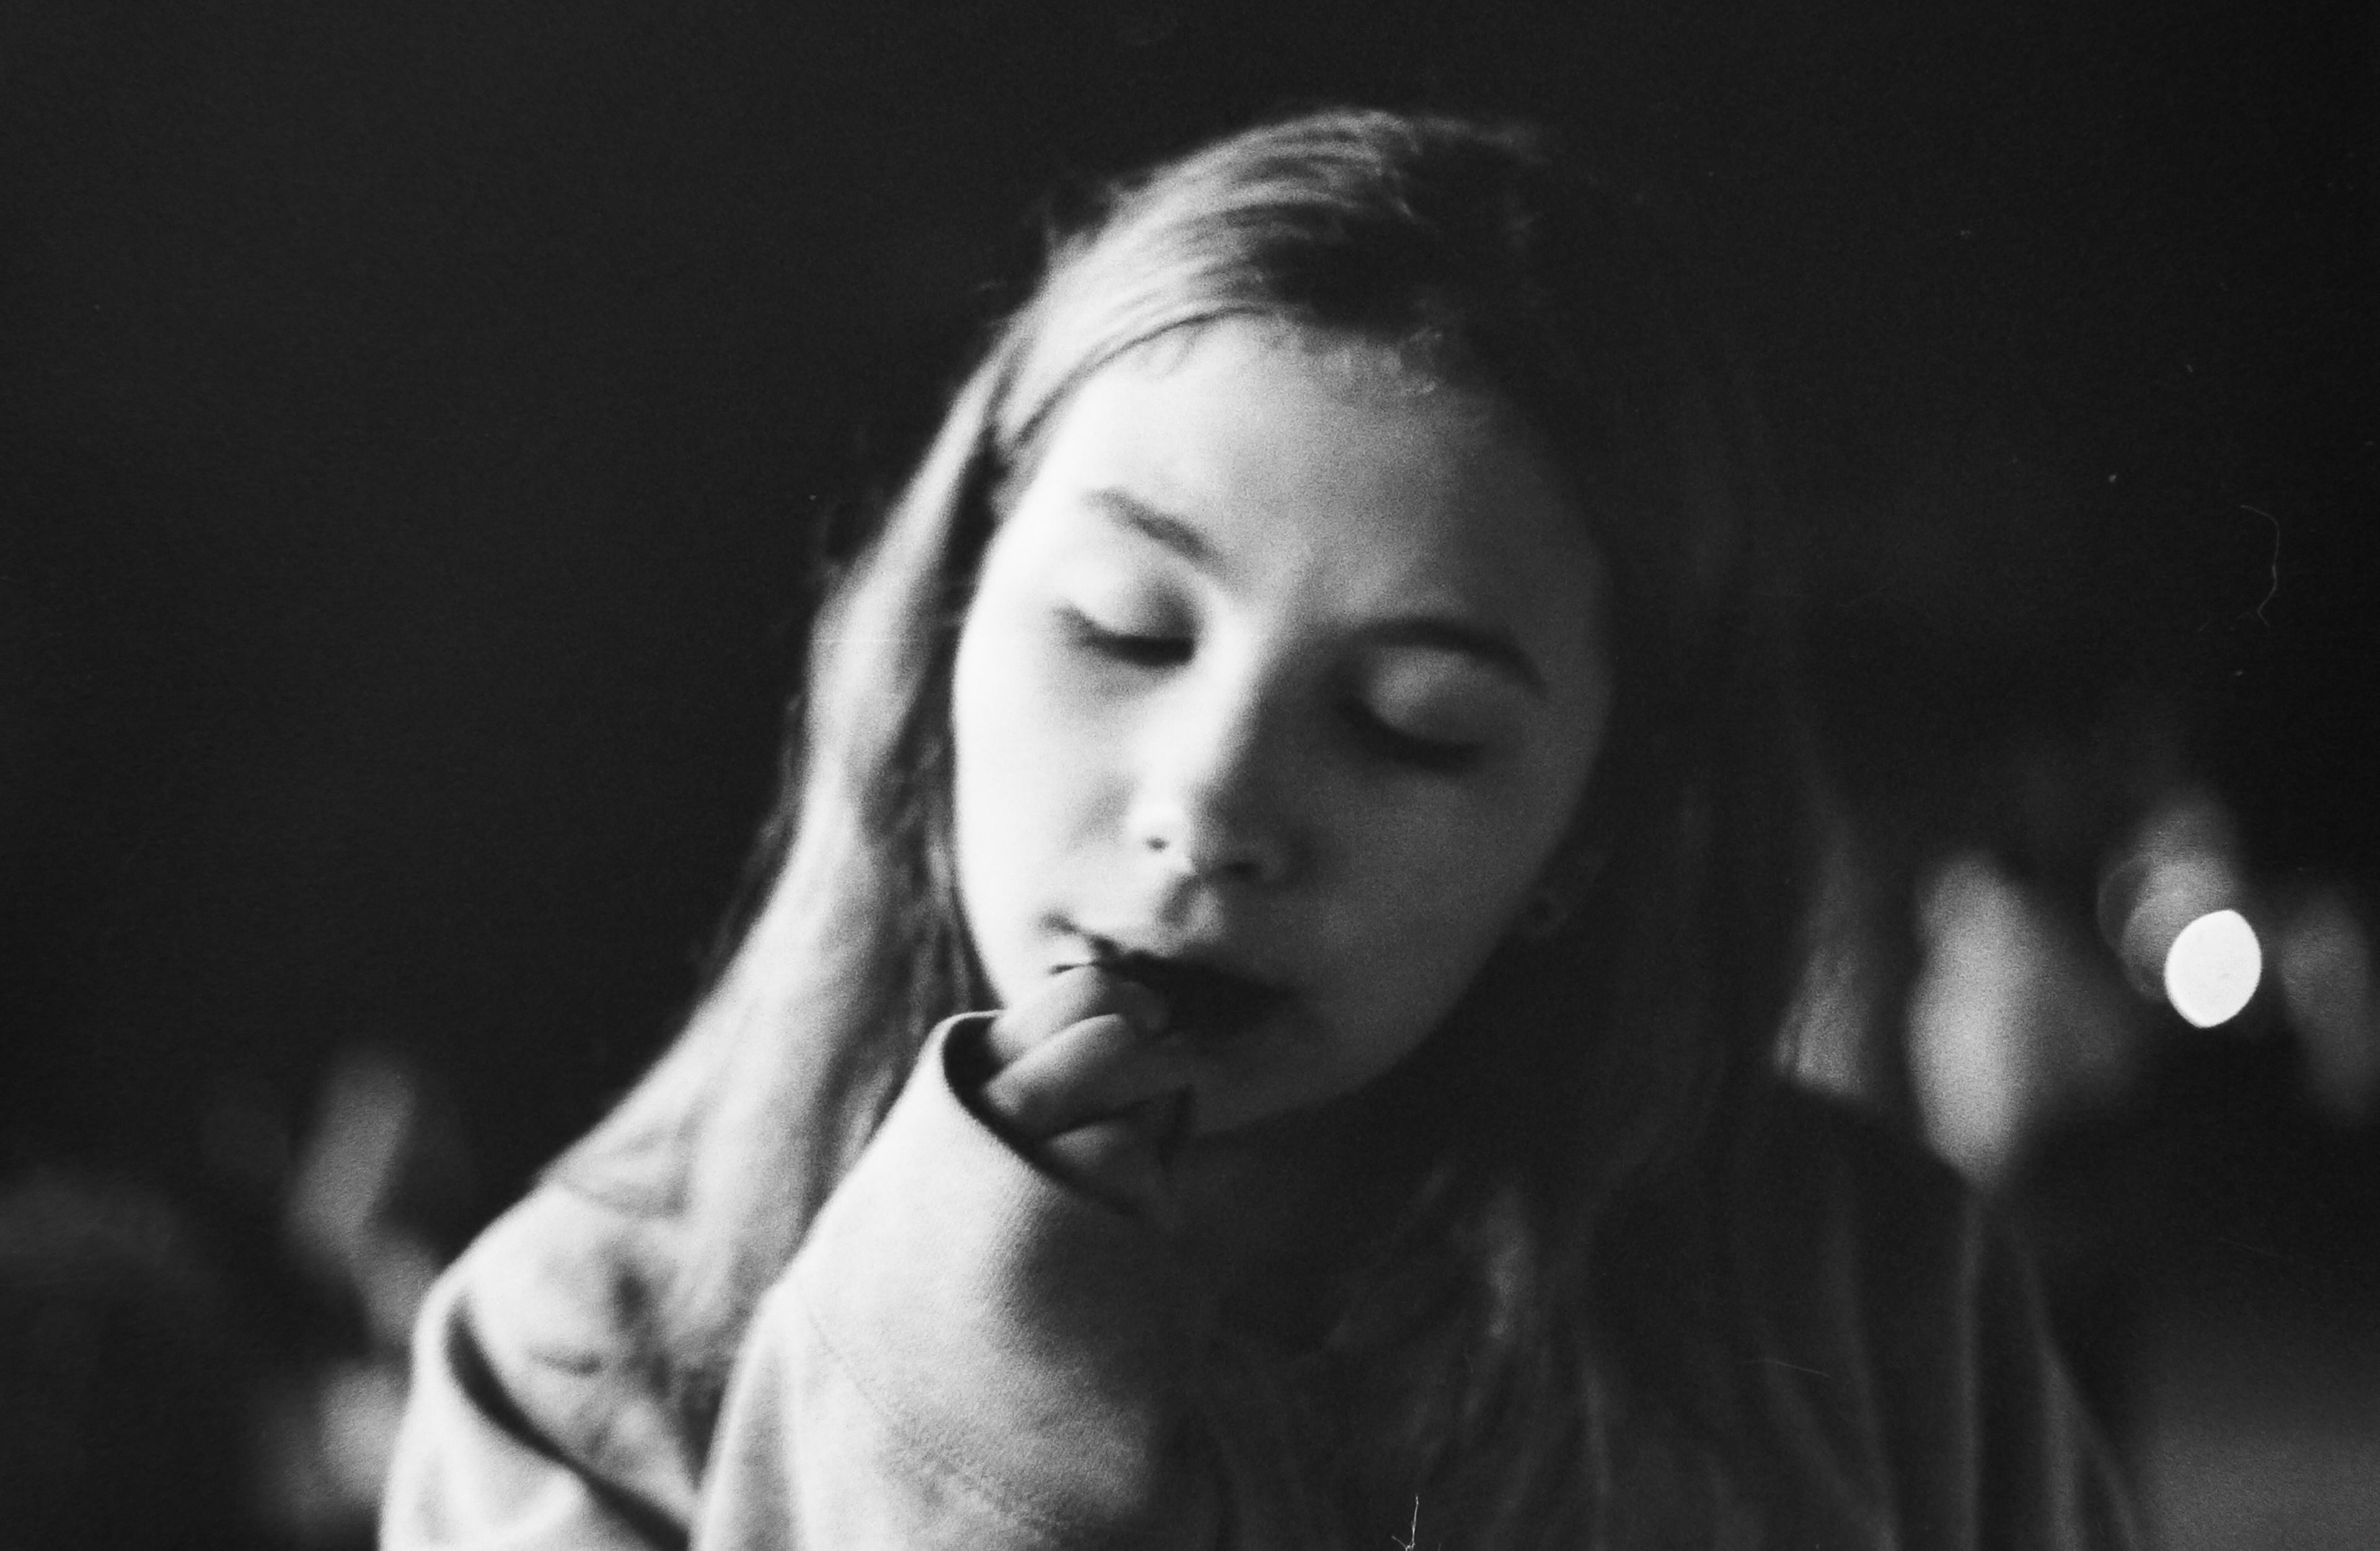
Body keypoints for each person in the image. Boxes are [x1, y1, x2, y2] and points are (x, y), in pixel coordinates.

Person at [382, 108, 2136, 1549]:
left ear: (1588, 837)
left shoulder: (1871, 1310)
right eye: (1127, 629)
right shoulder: (577, 1357)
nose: (1211, 810)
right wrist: (938, 1424)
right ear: (944, 636)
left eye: (1412, 728)